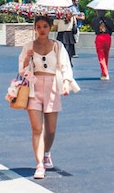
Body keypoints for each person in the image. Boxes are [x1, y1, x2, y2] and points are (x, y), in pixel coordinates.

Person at [19, 16, 76, 179]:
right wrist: (27, 60)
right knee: (37, 129)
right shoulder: (28, 46)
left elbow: (65, 66)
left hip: (52, 87)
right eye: (38, 27)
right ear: (35, 28)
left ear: (50, 28)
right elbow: (22, 71)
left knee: (50, 130)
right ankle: (39, 165)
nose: (42, 30)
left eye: (45, 26)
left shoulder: (58, 46)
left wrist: (66, 83)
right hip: (33, 88)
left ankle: (46, 153)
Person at [91, 10, 114, 80]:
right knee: (106, 55)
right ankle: (104, 70)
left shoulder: (95, 20)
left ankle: (105, 73)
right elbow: (113, 29)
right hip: (107, 37)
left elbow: (93, 28)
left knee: (101, 56)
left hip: (99, 37)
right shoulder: (109, 20)